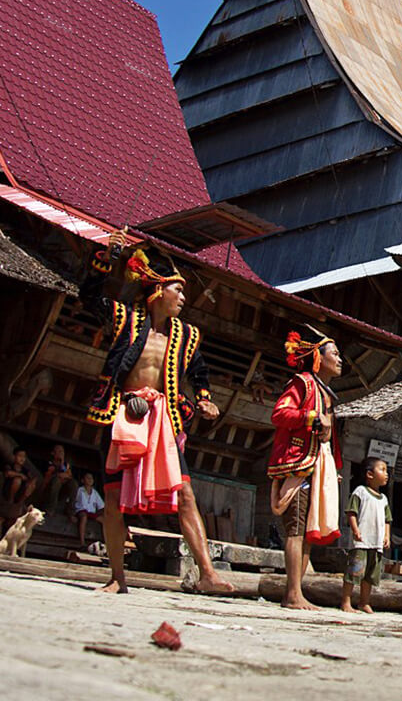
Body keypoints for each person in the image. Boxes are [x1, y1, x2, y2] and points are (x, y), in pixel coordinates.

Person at [81, 234, 232, 595]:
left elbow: (199, 372)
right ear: (158, 290)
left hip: (164, 420)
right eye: (178, 290)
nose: (184, 297)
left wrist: (206, 398)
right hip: (122, 414)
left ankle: (208, 574)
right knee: (114, 498)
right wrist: (106, 257)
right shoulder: (123, 319)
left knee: (186, 495)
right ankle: (117, 578)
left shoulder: (187, 335)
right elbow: (89, 296)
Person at [268, 328, 345, 610]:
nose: (340, 359)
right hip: (299, 463)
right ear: (317, 357)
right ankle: (292, 594)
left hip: (319, 466)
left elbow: (331, 438)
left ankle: (296, 591)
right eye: (334, 354)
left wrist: (334, 468)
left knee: (309, 531)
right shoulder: (302, 383)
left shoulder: (327, 394)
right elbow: (280, 413)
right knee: (296, 529)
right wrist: (312, 418)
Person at [341, 457, 391, 613]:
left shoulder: (384, 499)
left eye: (386, 470)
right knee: (354, 572)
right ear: (370, 474)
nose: (386, 474)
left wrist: (386, 536)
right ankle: (346, 601)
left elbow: (387, 520)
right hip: (362, 541)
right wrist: (355, 530)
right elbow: (351, 512)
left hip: (376, 542)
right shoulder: (360, 492)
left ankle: (364, 602)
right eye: (382, 470)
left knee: (370, 575)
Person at [38, 444, 77, 515]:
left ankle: (70, 511)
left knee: (73, 483)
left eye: (62, 451)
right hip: (48, 491)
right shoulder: (49, 463)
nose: (61, 453)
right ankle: (50, 508)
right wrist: (59, 475)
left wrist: (61, 463)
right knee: (57, 481)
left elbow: (69, 476)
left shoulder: (66, 465)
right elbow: (47, 477)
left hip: (61, 492)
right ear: (53, 453)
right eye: (58, 451)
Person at [71, 472, 105, 548]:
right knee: (84, 517)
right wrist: (72, 515)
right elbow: (72, 502)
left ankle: (105, 542)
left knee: (104, 520)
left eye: (91, 478)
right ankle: (82, 542)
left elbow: (102, 506)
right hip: (81, 511)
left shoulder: (95, 493)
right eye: (87, 478)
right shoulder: (79, 490)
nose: (90, 480)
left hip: (91, 512)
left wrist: (99, 514)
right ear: (83, 480)